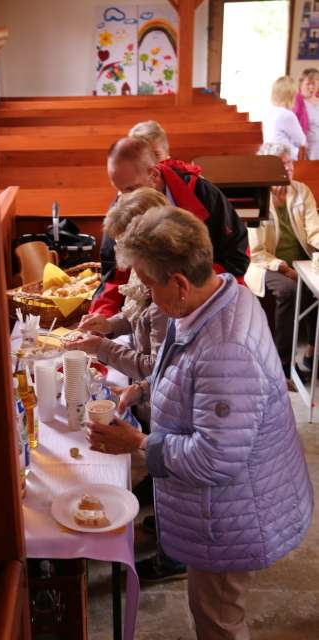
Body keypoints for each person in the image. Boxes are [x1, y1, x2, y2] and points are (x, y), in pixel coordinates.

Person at [86, 204, 313, 639]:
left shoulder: (227, 347)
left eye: (150, 285)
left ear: (179, 283)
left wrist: (136, 442)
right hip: (230, 503)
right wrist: (146, 388)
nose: (148, 296)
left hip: (237, 512)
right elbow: (184, 372)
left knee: (218, 619)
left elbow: (213, 458)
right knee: (211, 610)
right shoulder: (214, 297)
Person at [90, 136, 249, 317]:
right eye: (119, 189)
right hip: (156, 307)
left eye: (132, 189)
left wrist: (179, 288)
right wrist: (100, 318)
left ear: (154, 174)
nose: (124, 198)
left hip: (212, 301)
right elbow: (114, 275)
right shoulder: (124, 207)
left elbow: (237, 258)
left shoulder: (201, 193)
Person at [67, 187, 169, 427]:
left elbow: (157, 369)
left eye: (125, 243)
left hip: (159, 413)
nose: (122, 252)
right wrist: (109, 325)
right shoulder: (144, 271)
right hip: (143, 398)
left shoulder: (166, 294)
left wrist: (102, 347)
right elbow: (138, 315)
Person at [245, 142, 319, 383]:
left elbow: (314, 231)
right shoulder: (257, 196)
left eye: (289, 163)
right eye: (281, 164)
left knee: (316, 288)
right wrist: (285, 269)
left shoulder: (301, 190)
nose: (287, 169)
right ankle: (282, 363)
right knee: (289, 290)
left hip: (301, 262)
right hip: (266, 264)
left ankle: (312, 355)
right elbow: (257, 252)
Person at [263, 76, 306, 160]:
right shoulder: (287, 115)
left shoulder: (269, 112)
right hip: (284, 161)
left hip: (269, 157)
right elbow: (301, 141)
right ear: (291, 95)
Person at [293, 68, 319, 160]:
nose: (311, 87)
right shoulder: (296, 103)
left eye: (314, 84)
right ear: (301, 84)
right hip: (308, 150)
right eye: (308, 84)